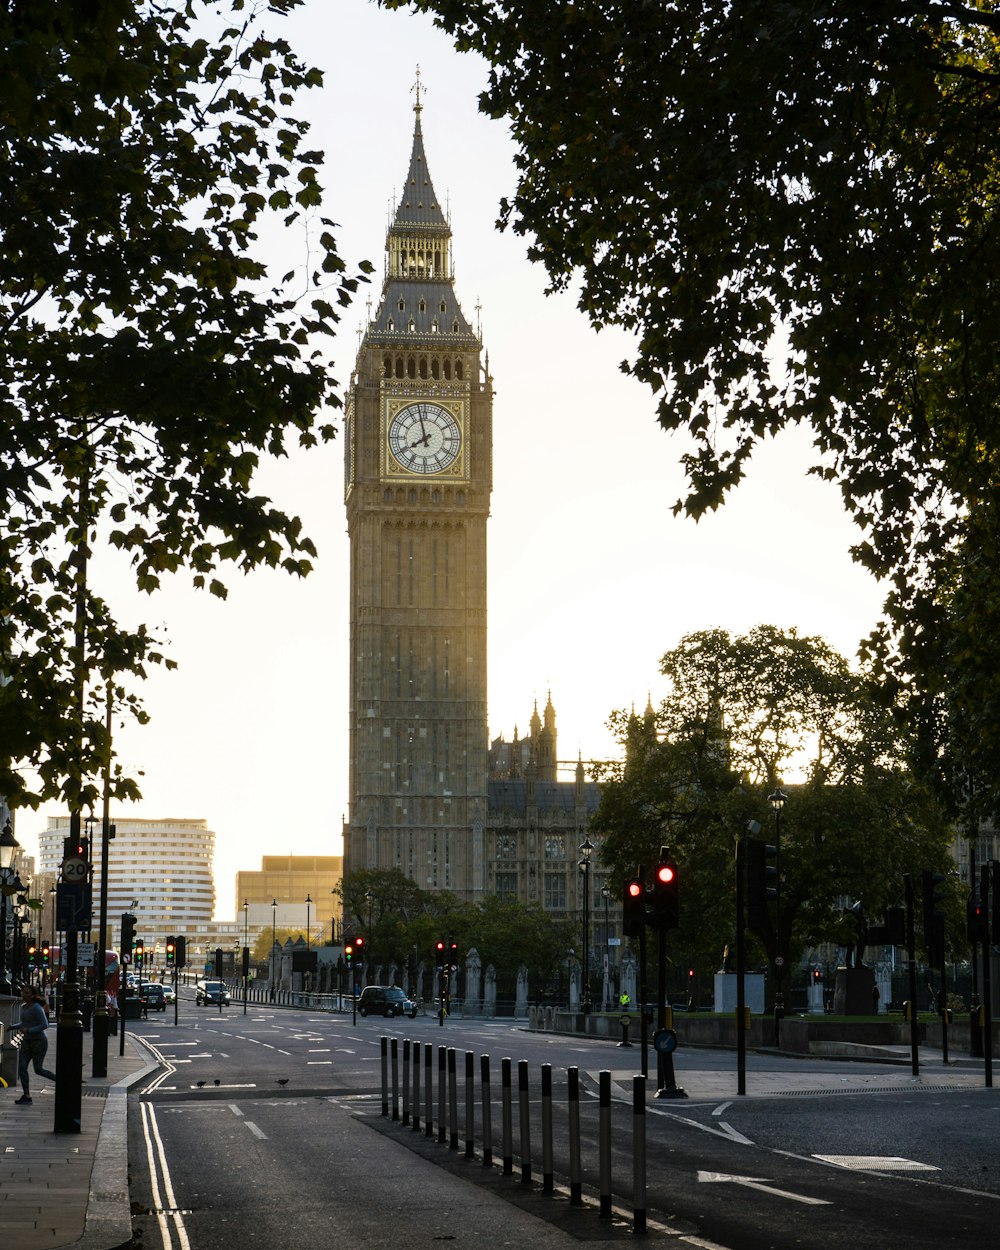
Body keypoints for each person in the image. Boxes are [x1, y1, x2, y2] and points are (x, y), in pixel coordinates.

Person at [15, 984, 57, 1105]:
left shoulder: (37, 1007)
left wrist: (29, 1030)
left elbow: (44, 1024)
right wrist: (14, 1027)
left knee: (38, 1069)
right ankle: (26, 1095)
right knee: (22, 1067)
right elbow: (24, 1023)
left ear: (33, 995)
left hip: (38, 1041)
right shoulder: (23, 1007)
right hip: (27, 1042)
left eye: (27, 993)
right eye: (23, 992)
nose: (24, 994)